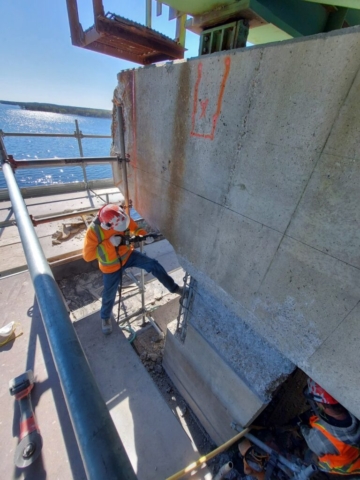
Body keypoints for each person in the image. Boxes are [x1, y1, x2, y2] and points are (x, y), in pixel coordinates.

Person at [83, 204, 184, 334]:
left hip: (128, 256)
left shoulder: (121, 217)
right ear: (107, 225)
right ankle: (105, 317)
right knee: (109, 293)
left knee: (153, 264)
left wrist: (144, 236)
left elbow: (135, 229)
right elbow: (87, 256)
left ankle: (174, 288)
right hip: (110, 266)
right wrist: (109, 244)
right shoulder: (94, 231)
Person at [300, 378, 360, 478]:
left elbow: (306, 434)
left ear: (322, 405)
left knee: (309, 457)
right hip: (356, 459)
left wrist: (301, 425)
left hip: (349, 468)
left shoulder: (319, 437)